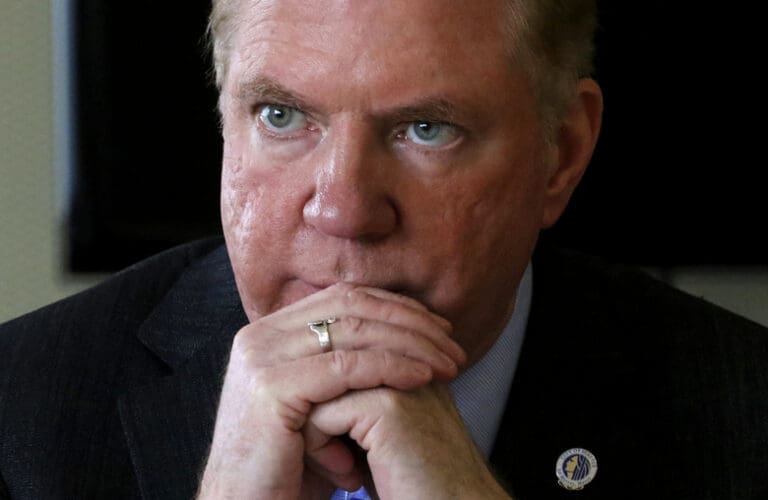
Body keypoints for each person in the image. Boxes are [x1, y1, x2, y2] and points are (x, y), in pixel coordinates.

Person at [1, 1, 766, 499]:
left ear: (562, 153)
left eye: (426, 130)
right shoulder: (19, 415)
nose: (343, 211)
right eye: (280, 116)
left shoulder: (746, 419)